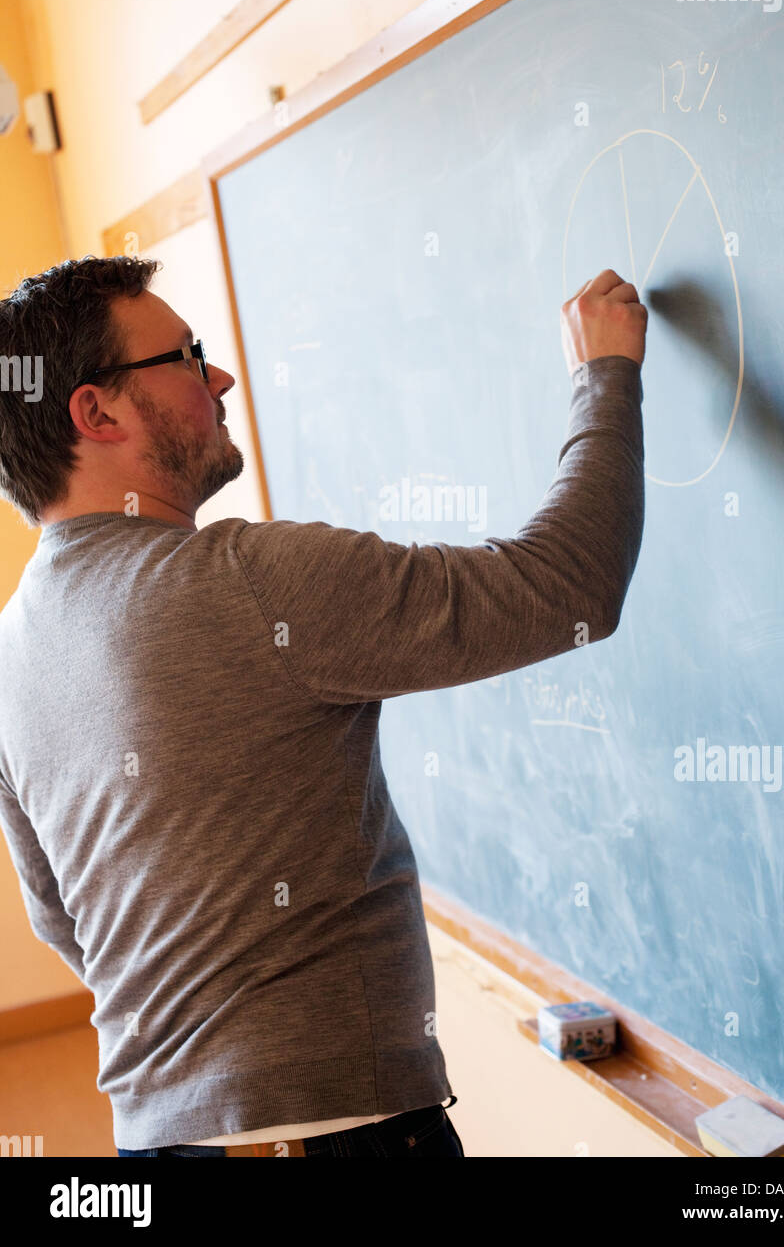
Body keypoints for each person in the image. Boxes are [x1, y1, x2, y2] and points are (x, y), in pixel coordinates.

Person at [0, 256, 646, 1157]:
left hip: (155, 1144)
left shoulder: (11, 647)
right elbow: (570, 587)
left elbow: (61, 919)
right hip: (333, 1140)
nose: (217, 376)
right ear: (95, 411)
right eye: (185, 357)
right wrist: (604, 376)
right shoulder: (246, 582)